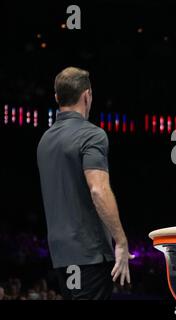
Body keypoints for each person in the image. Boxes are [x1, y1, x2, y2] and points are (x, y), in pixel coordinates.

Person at [37, 67, 133, 300]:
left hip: (61, 256)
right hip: (89, 254)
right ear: (87, 95)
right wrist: (120, 241)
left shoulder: (45, 140)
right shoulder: (91, 135)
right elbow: (98, 190)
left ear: (57, 97)